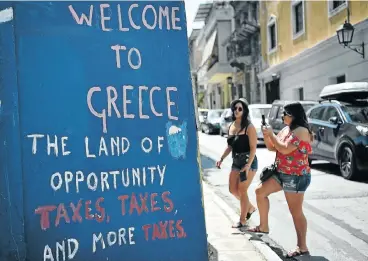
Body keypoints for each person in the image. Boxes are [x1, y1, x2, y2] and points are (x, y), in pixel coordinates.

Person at [248, 102, 312, 258]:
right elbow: (273, 147)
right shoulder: (286, 129)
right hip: (281, 172)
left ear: (293, 115)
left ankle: (302, 247)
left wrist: (272, 134)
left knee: (295, 212)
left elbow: (284, 148)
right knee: (260, 191)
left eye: (285, 113)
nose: (282, 116)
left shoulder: (302, 131)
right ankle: (263, 226)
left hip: (296, 176)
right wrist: (267, 134)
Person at [216, 98, 258, 228]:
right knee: (232, 189)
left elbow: (253, 148)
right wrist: (221, 159)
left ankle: (242, 220)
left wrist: (248, 165)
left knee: (242, 189)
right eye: (235, 108)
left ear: (244, 111)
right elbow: (230, 146)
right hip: (236, 161)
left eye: (240, 108)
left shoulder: (249, 127)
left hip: (248, 161)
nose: (236, 111)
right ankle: (250, 208)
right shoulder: (232, 126)